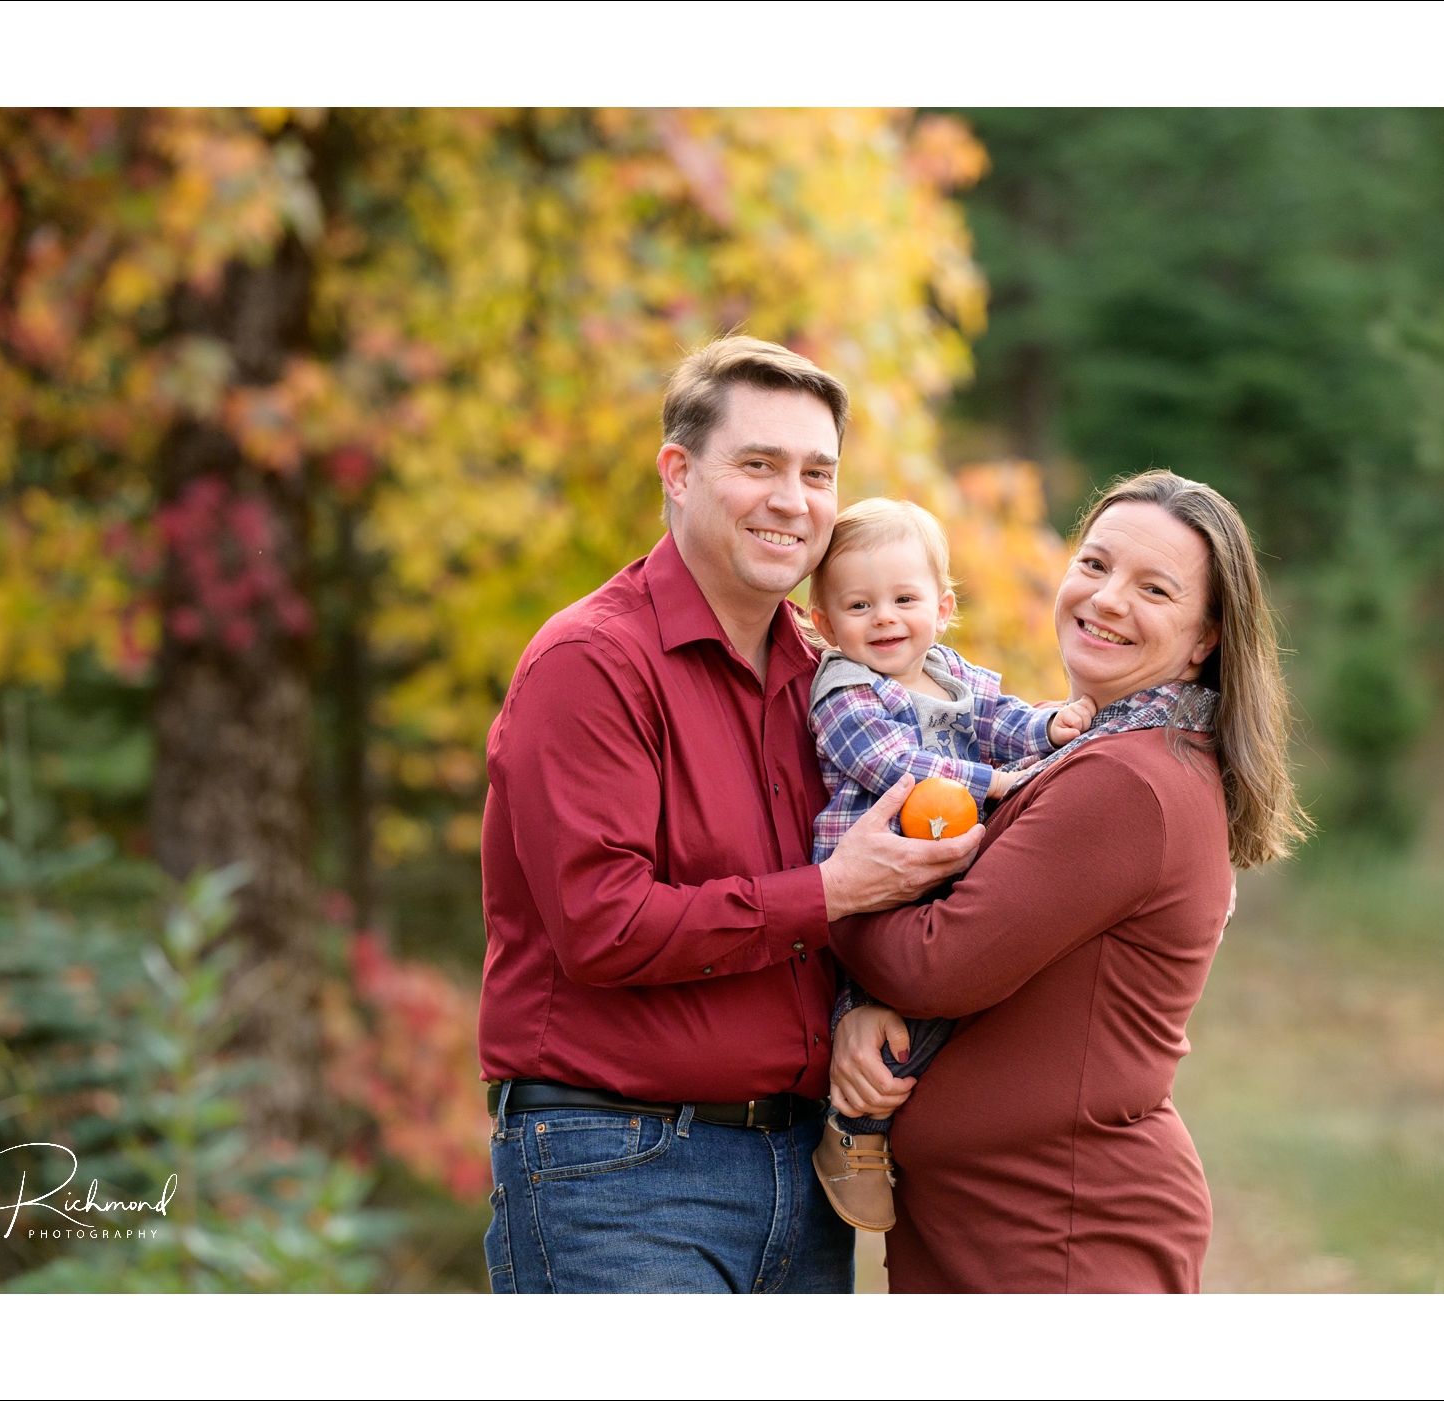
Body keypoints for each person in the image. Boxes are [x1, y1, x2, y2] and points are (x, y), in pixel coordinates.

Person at [476, 336, 982, 1293]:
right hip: (618, 1169)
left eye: (817, 472)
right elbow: (605, 927)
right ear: (679, 472)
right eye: (759, 465)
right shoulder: (591, 663)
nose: (793, 499)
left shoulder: (832, 673)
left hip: (803, 1170)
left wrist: (857, 1002)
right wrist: (830, 893)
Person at [827, 470, 1308, 1292]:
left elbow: (938, 960)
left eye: (1153, 588)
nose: (1107, 599)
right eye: (1094, 564)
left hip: (1062, 1233)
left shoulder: (1128, 781)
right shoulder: (1094, 749)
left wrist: (833, 890)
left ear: (1205, 638)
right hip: (1008, 1225)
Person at [798, 497, 1095, 1231]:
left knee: (969, 975)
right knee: (891, 1000)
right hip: (876, 872)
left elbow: (996, 720)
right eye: (859, 605)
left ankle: (925, 1118)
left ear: (942, 605)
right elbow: (886, 759)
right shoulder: (843, 689)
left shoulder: (948, 670)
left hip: (944, 862)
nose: (886, 618)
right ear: (827, 624)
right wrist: (986, 782)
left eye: (905, 598)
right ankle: (852, 1127)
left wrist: (1048, 725)